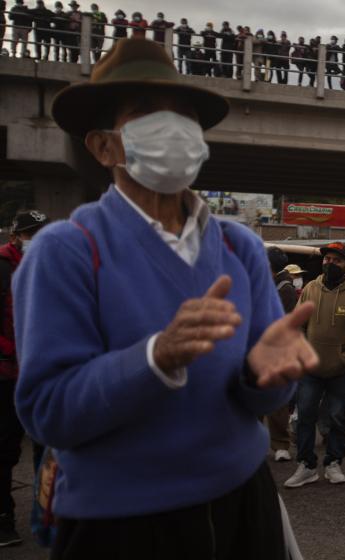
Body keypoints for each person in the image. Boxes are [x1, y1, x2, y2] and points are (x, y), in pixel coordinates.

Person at [19, 38, 319, 558]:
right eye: (146, 114)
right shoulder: (66, 250)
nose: (173, 129)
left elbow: (263, 398)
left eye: (184, 116)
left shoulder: (238, 244)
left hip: (245, 501)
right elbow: (48, 413)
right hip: (122, 522)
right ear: (104, 146)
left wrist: (268, 375)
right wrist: (155, 357)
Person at [285, 242, 345, 488]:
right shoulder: (311, 288)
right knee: (305, 416)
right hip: (310, 370)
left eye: (336, 260)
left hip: (341, 371)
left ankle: (334, 462)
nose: (329, 263)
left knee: (336, 417)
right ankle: (306, 466)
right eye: (327, 259)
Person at [0, 209, 48, 548]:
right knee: (5, 447)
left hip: (43, 375)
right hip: (7, 374)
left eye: (41, 232)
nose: (36, 239)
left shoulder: (50, 269)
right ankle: (3, 518)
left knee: (49, 448)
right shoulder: (2, 268)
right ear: (15, 236)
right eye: (31, 233)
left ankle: (47, 513)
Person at [265, 247, 296, 464]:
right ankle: (253, 443)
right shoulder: (263, 283)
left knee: (277, 402)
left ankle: (281, 444)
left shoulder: (285, 289)